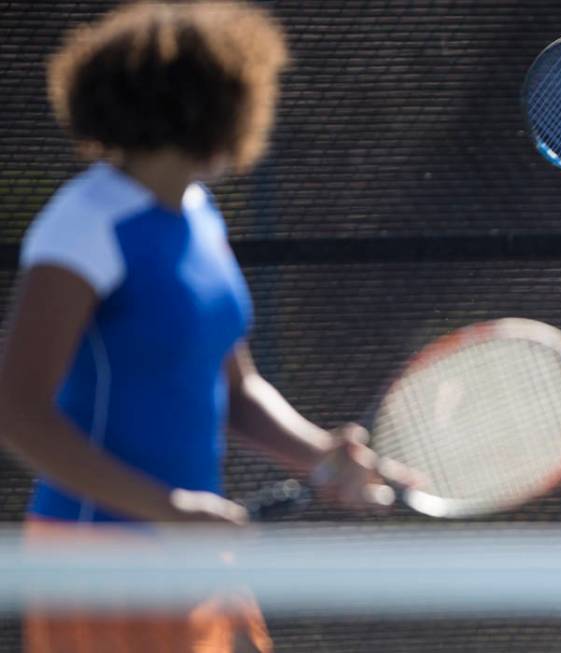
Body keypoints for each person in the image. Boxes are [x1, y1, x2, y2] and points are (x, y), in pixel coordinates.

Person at [0, 2, 415, 651]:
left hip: (193, 556)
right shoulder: (81, 225)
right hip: (98, 568)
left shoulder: (198, 213)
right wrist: (170, 509)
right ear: (215, 106)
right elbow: (17, 412)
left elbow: (237, 390)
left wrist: (320, 454)